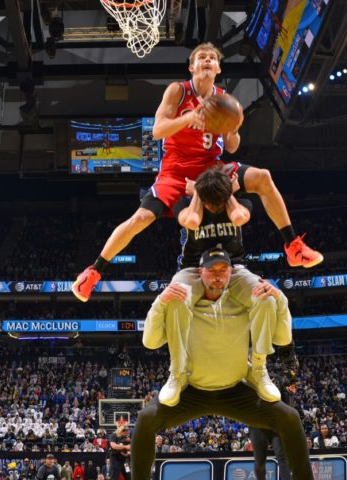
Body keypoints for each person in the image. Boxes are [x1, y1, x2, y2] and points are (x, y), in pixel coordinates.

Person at [71, 42, 323, 302]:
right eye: (201, 57)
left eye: (212, 58)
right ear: (192, 67)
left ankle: (294, 247)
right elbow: (158, 130)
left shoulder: (225, 100)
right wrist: (188, 118)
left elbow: (232, 147)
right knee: (141, 219)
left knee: (263, 177)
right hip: (175, 170)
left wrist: (233, 129)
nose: (207, 60)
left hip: (212, 168)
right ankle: (93, 272)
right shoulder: (178, 92)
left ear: (218, 68)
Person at [134, 248, 313, 480]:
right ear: (200, 273)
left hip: (235, 390)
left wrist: (281, 300)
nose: (217, 275)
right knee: (146, 419)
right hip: (192, 389)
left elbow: (282, 338)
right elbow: (150, 341)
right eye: (211, 270)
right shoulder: (182, 302)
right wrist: (160, 302)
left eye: (223, 270)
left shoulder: (246, 300)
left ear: (231, 273)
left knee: (289, 418)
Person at [158, 167, 296, 406]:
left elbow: (240, 217)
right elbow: (191, 221)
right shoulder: (186, 205)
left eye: (217, 201)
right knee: (175, 300)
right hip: (194, 269)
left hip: (234, 268)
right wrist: (198, 195)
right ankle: (177, 373)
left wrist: (230, 194)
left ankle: (259, 368)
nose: (213, 207)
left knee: (266, 298)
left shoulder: (237, 205)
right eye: (209, 201)